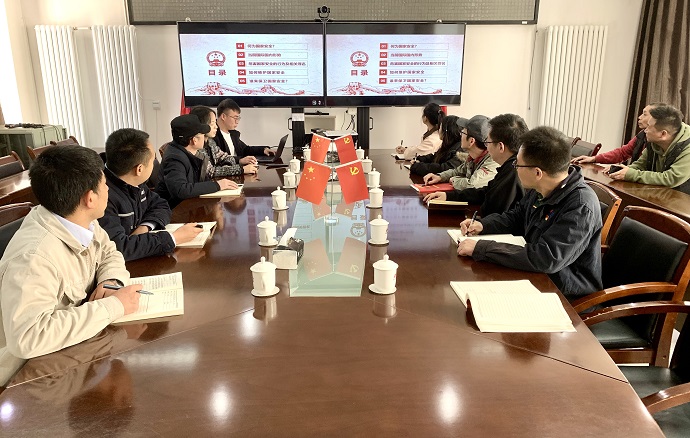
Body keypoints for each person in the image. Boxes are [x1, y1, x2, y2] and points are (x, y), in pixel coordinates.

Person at [0, 145, 142, 361]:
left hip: (76, 347)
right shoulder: (33, 258)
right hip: (33, 370)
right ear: (90, 199)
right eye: (104, 184)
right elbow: (27, 338)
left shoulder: (80, 219)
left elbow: (109, 253)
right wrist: (113, 306)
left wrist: (111, 281)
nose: (108, 190)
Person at [457, 126, 603, 299]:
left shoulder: (580, 205)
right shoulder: (541, 187)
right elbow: (517, 217)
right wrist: (483, 225)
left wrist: (482, 248)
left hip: (565, 294)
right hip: (535, 276)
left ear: (537, 172)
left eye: (517, 164)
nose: (515, 169)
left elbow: (546, 258)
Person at [99, 128, 202, 261]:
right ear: (139, 169)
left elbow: (161, 204)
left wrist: (145, 227)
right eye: (153, 160)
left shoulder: (135, 182)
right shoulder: (102, 195)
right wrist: (173, 238)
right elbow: (118, 248)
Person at [423, 113, 528, 217]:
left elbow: (497, 214)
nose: (486, 147)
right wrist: (448, 196)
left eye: (488, 142)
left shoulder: (513, 172)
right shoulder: (510, 167)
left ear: (501, 147)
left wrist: (480, 223)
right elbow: (485, 192)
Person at [157, 114, 239, 209]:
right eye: (203, 134)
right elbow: (181, 191)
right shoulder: (174, 159)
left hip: (189, 206)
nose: (205, 138)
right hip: (176, 211)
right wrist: (217, 185)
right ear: (194, 140)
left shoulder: (188, 152)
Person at [608, 104, 690, 193]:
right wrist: (621, 170)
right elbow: (640, 165)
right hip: (659, 194)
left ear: (663, 134)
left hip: (682, 198)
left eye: (649, 127)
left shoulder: (687, 147)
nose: (645, 130)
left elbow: (671, 178)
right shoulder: (654, 140)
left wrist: (631, 174)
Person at [422, 115, 498, 191]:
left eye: (463, 133)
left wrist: (454, 180)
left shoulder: (493, 162)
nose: (460, 136)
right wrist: (439, 177)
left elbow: (472, 185)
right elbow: (457, 171)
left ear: (471, 141)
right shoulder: (473, 158)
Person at [572, 104, 654, 165]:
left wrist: (627, 171)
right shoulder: (642, 135)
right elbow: (622, 153)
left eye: (644, 114)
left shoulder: (658, 141)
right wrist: (594, 158)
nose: (639, 117)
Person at [189, 106, 258, 177]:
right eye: (212, 124)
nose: (216, 126)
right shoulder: (196, 145)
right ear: (202, 125)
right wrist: (241, 169)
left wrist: (240, 161)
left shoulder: (210, 142)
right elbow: (211, 171)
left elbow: (223, 157)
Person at [214, 98, 273, 164]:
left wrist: (263, 150)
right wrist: (240, 160)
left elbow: (245, 149)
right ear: (223, 116)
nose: (237, 121)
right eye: (235, 118)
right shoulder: (213, 135)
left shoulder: (233, 134)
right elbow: (220, 159)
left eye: (238, 118)